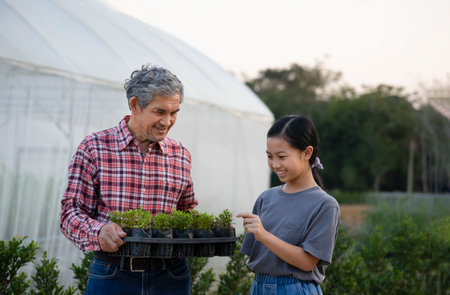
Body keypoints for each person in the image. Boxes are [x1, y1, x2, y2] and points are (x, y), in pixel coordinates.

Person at [60, 64, 198, 295]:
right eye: (159, 112)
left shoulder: (180, 154)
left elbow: (187, 210)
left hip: (171, 276)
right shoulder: (94, 148)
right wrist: (99, 231)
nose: (167, 122)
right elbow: (70, 213)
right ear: (135, 105)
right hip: (113, 274)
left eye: (174, 113)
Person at [237, 115, 340, 295]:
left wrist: (264, 235)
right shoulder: (265, 198)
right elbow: (257, 256)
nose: (275, 164)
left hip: (296, 289)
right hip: (259, 287)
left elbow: (307, 262)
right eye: (270, 156)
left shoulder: (325, 205)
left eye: (282, 156)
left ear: (307, 153)